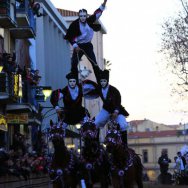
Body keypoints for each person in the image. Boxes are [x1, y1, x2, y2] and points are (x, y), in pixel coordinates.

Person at [64, 0, 108, 82]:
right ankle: (75, 81)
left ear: (86, 16)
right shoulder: (74, 25)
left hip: (88, 46)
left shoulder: (89, 21)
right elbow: (70, 36)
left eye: (84, 16)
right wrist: (75, 46)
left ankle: (99, 81)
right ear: (79, 16)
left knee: (94, 63)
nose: (83, 18)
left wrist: (104, 3)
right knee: (74, 64)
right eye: (81, 16)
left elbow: (98, 13)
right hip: (78, 46)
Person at [94, 70, 129, 145]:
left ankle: (125, 146)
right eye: (101, 81)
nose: (102, 83)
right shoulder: (99, 89)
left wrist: (116, 112)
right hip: (106, 110)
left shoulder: (114, 90)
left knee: (123, 125)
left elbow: (118, 102)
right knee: (96, 123)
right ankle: (96, 144)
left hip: (117, 110)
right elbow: (91, 91)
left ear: (107, 81)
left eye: (104, 81)